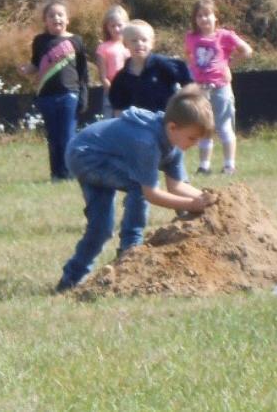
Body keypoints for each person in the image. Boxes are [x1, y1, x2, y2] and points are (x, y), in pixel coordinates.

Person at [55, 84, 218, 292]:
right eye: (192, 138)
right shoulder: (147, 142)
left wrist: (208, 199)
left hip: (101, 156)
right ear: (172, 127)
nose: (195, 144)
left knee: (101, 228)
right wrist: (193, 205)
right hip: (85, 155)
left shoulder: (174, 145)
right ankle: (130, 247)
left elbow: (177, 186)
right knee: (138, 183)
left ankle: (69, 280)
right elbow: (151, 193)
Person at [185, 0, 254, 175]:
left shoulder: (224, 35)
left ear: (215, 16)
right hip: (201, 88)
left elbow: (246, 51)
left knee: (224, 126)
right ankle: (204, 165)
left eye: (207, 14)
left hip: (220, 87)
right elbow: (189, 57)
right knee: (204, 127)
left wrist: (228, 65)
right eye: (199, 16)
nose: (204, 19)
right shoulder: (191, 38)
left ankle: (229, 165)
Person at [22, 0, 89, 181]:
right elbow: (36, 63)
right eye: (51, 15)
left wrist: (84, 96)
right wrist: (26, 69)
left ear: (67, 19)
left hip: (69, 94)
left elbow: (83, 72)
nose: (56, 18)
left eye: (60, 15)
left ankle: (69, 172)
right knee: (53, 137)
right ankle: (56, 173)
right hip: (46, 96)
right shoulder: (40, 41)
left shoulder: (76, 41)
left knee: (67, 135)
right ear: (45, 21)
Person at [107, 20, 192, 114]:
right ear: (125, 44)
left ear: (152, 43)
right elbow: (118, 108)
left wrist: (185, 107)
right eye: (134, 41)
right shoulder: (121, 77)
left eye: (144, 40)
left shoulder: (162, 64)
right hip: (137, 121)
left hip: (164, 119)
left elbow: (189, 83)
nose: (139, 44)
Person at [96, 5, 130, 119]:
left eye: (119, 25)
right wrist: (112, 90)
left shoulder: (130, 46)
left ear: (126, 25)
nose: (116, 29)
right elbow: (103, 76)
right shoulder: (103, 47)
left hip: (129, 90)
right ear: (107, 27)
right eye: (113, 26)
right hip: (111, 90)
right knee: (110, 120)